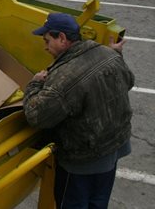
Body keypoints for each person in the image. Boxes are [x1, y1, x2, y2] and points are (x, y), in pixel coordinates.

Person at [23, 13, 134, 209]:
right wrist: (117, 55)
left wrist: (34, 85)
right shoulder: (108, 54)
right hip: (114, 148)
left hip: (82, 161)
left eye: (47, 40)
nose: (45, 46)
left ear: (62, 39)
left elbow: (36, 116)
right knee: (98, 202)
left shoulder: (65, 78)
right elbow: (129, 81)